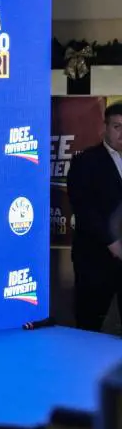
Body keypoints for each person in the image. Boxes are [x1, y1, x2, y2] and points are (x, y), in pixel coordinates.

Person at [67, 101, 122, 333]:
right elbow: (84, 208)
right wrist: (112, 243)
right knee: (89, 326)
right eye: (117, 127)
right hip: (95, 261)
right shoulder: (85, 161)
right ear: (104, 127)